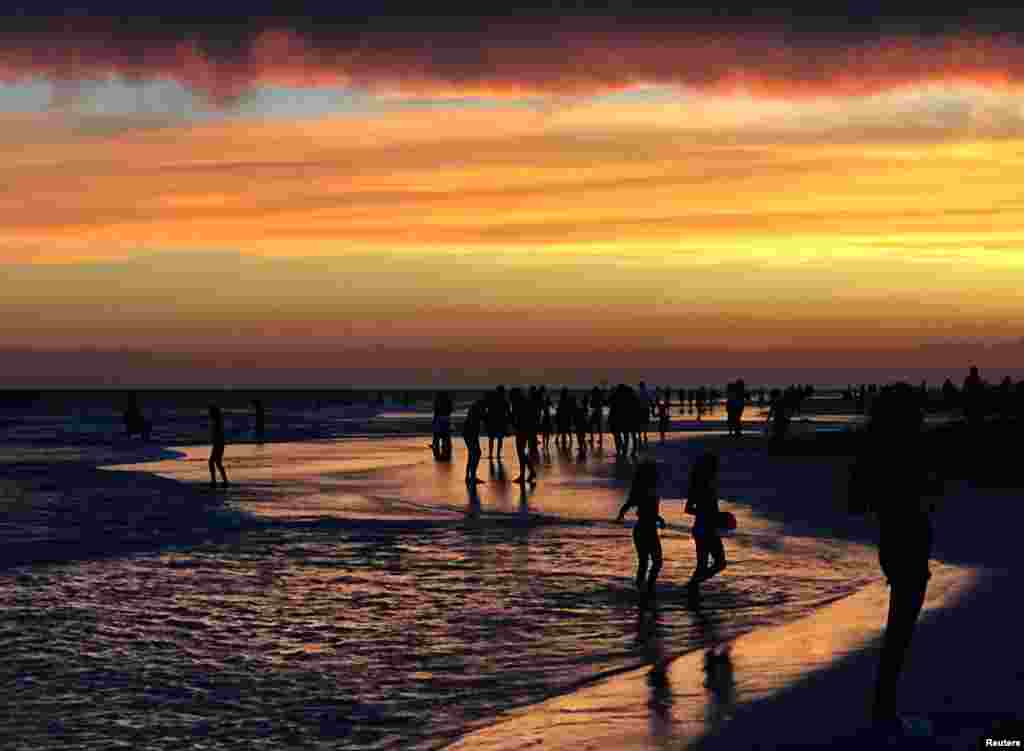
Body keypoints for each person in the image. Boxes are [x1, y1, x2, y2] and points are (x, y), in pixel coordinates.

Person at [849, 383, 941, 732]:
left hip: (892, 542)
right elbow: (928, 490)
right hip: (908, 541)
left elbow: (855, 502)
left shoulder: (875, 449)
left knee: (899, 629)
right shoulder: (909, 449)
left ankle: (884, 706)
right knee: (900, 630)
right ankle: (884, 710)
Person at [616, 459, 666, 602]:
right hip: (645, 530)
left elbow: (634, 507)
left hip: (646, 529)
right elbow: (633, 506)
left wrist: (658, 518)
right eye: (654, 472)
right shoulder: (643, 489)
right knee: (651, 562)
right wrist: (621, 516)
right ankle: (646, 590)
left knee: (648, 563)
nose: (657, 474)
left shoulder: (647, 489)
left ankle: (645, 589)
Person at [685, 452, 726, 585]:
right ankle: (692, 587)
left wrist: (717, 516)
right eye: (715, 466)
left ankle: (692, 587)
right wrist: (708, 514)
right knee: (716, 563)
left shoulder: (710, 485)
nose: (717, 469)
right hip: (703, 529)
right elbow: (688, 508)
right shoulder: (698, 486)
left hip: (709, 528)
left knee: (713, 564)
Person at [509, 388, 537, 484]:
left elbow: (514, 418)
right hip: (526, 429)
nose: (510, 397)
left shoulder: (517, 404)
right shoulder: (525, 402)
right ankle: (529, 472)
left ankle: (526, 473)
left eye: (511, 395)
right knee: (521, 453)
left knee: (520, 452)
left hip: (521, 430)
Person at [462, 397, 487, 484]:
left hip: (469, 433)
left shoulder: (475, 407)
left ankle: (469, 476)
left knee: (472, 454)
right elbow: (484, 418)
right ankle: (472, 477)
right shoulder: (477, 409)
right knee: (476, 453)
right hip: (470, 434)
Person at [486, 386, 511, 460]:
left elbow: (488, 411)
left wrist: (487, 421)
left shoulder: (493, 400)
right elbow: (508, 413)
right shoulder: (504, 401)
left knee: (491, 438)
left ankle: (491, 454)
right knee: (499, 439)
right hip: (501, 423)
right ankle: (497, 454)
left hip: (493, 422)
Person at [208, 404, 229, 489]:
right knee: (216, 463)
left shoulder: (217, 422)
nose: (209, 414)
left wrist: (216, 442)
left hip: (218, 444)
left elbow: (218, 434)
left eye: (210, 412)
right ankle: (223, 481)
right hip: (219, 444)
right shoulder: (218, 421)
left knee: (212, 462)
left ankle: (215, 481)